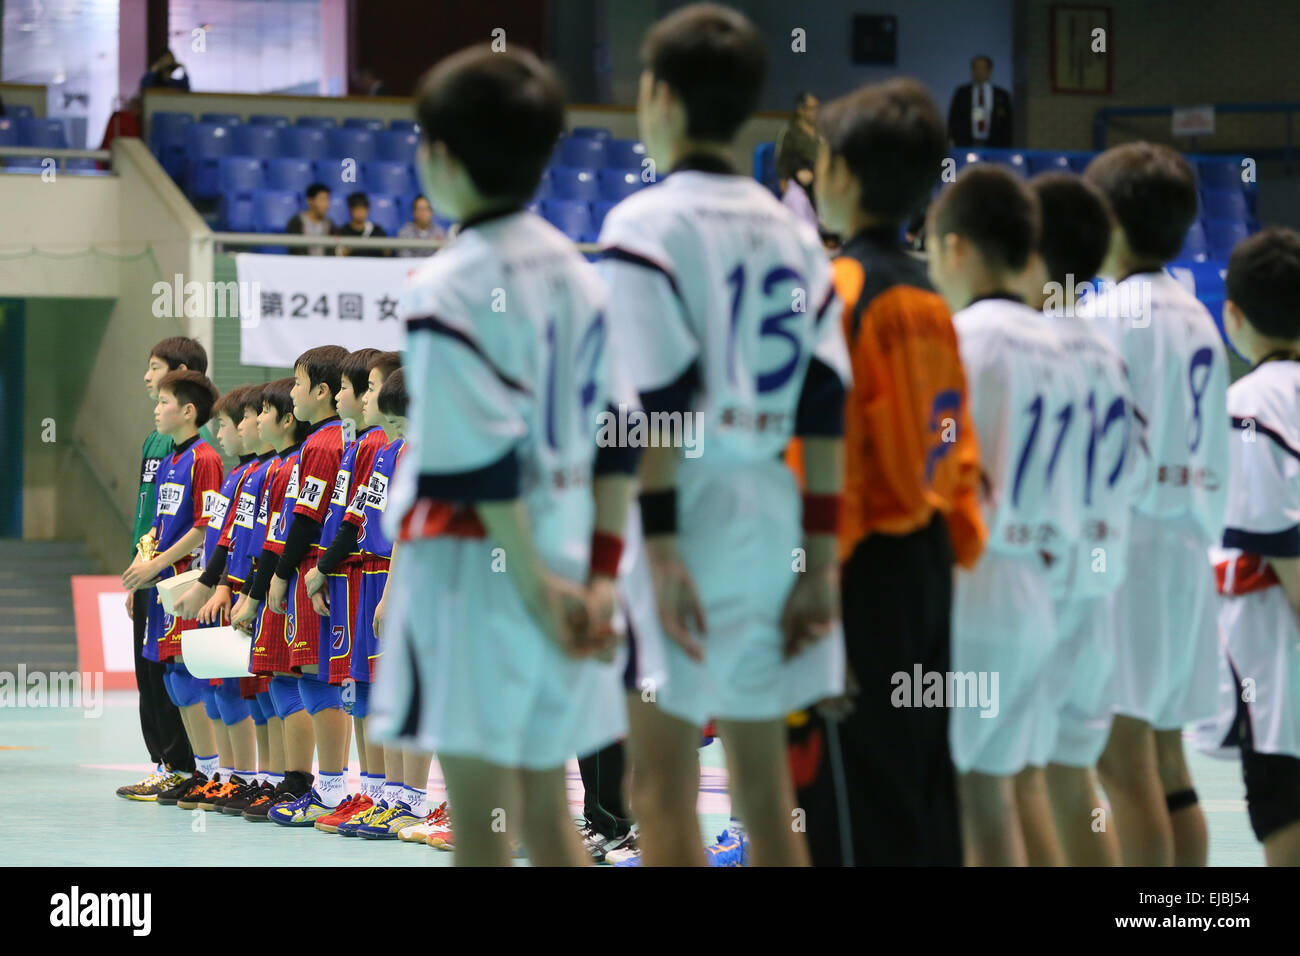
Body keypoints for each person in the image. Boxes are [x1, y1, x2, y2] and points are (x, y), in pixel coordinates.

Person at [367, 44, 632, 868]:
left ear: (441, 157)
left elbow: (473, 466)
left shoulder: (446, 288)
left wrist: (536, 589)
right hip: (561, 555)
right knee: (548, 820)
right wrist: (593, 576)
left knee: (482, 830)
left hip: (477, 577)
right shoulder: (581, 277)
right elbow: (621, 440)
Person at [600, 3, 851, 868]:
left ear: (660, 97)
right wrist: (819, 560)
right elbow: (824, 402)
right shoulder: (794, 230)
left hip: (684, 518)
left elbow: (653, 405)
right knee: (766, 790)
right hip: (773, 520)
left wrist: (662, 550)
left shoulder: (645, 228)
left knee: (661, 790)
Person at [789, 77, 985, 867]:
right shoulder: (935, 299)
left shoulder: (838, 291)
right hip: (929, 575)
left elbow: (817, 457)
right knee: (923, 793)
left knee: (846, 807)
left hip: (853, 579)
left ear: (838, 175)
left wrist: (812, 595)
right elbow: (957, 455)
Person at [926, 165, 1088, 866]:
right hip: (1040, 591)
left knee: (978, 800)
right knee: (1013, 789)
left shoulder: (961, 340)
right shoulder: (1068, 348)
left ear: (954, 248)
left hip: (977, 589)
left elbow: (935, 472)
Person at [1081, 142, 1229, 867]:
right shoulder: (1198, 315)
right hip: (1185, 552)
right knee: (1170, 766)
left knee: (1121, 765)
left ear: (1105, 219)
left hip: (1127, 555)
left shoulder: (1109, 315)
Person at [1019, 173, 1146, 866]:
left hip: (1031, 593)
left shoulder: (1018, 342)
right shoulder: (1106, 348)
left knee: (1014, 787)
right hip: (1096, 595)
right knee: (1071, 786)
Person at [1208, 227, 1300, 866]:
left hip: (1281, 662)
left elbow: (1285, 548)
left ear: (1231, 315)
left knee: (1285, 815)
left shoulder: (1246, 407)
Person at [120, 369, 225, 810]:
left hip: (187, 585)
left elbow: (207, 525)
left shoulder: (206, 459)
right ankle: (179, 771)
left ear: (188, 411)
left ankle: (211, 771)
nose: (156, 408)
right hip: (159, 583)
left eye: (164, 402)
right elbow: (159, 526)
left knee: (190, 676)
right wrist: (142, 562)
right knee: (166, 676)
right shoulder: (168, 461)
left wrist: (160, 563)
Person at [230, 377, 313, 819]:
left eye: (261, 412)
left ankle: (301, 780)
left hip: (287, 586)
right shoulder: (271, 470)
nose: (254, 421)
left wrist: (254, 593)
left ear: (286, 418)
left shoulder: (293, 465)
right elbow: (263, 538)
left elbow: (283, 538)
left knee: (293, 681)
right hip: (266, 585)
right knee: (271, 684)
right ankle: (278, 778)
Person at [947, 55, 1012, 148]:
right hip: (966, 143)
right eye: (975, 68)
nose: (978, 72)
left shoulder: (1001, 95)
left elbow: (1008, 124)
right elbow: (953, 119)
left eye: (982, 68)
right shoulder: (962, 93)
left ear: (990, 71)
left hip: (994, 144)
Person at [776, 91, 819, 196]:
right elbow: (783, 160)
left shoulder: (822, 130)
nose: (816, 112)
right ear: (801, 110)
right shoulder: (790, 132)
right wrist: (784, 181)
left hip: (820, 179)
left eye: (817, 108)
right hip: (799, 178)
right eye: (811, 109)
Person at [335, 192, 391, 257]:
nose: (360, 213)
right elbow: (339, 254)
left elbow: (387, 253)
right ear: (351, 210)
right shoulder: (343, 231)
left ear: (368, 209)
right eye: (357, 209)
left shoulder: (377, 230)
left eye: (363, 208)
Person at [286, 184, 335, 256]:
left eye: (328, 200)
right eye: (322, 200)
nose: (326, 204)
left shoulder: (330, 224)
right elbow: (295, 250)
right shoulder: (296, 222)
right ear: (310, 201)